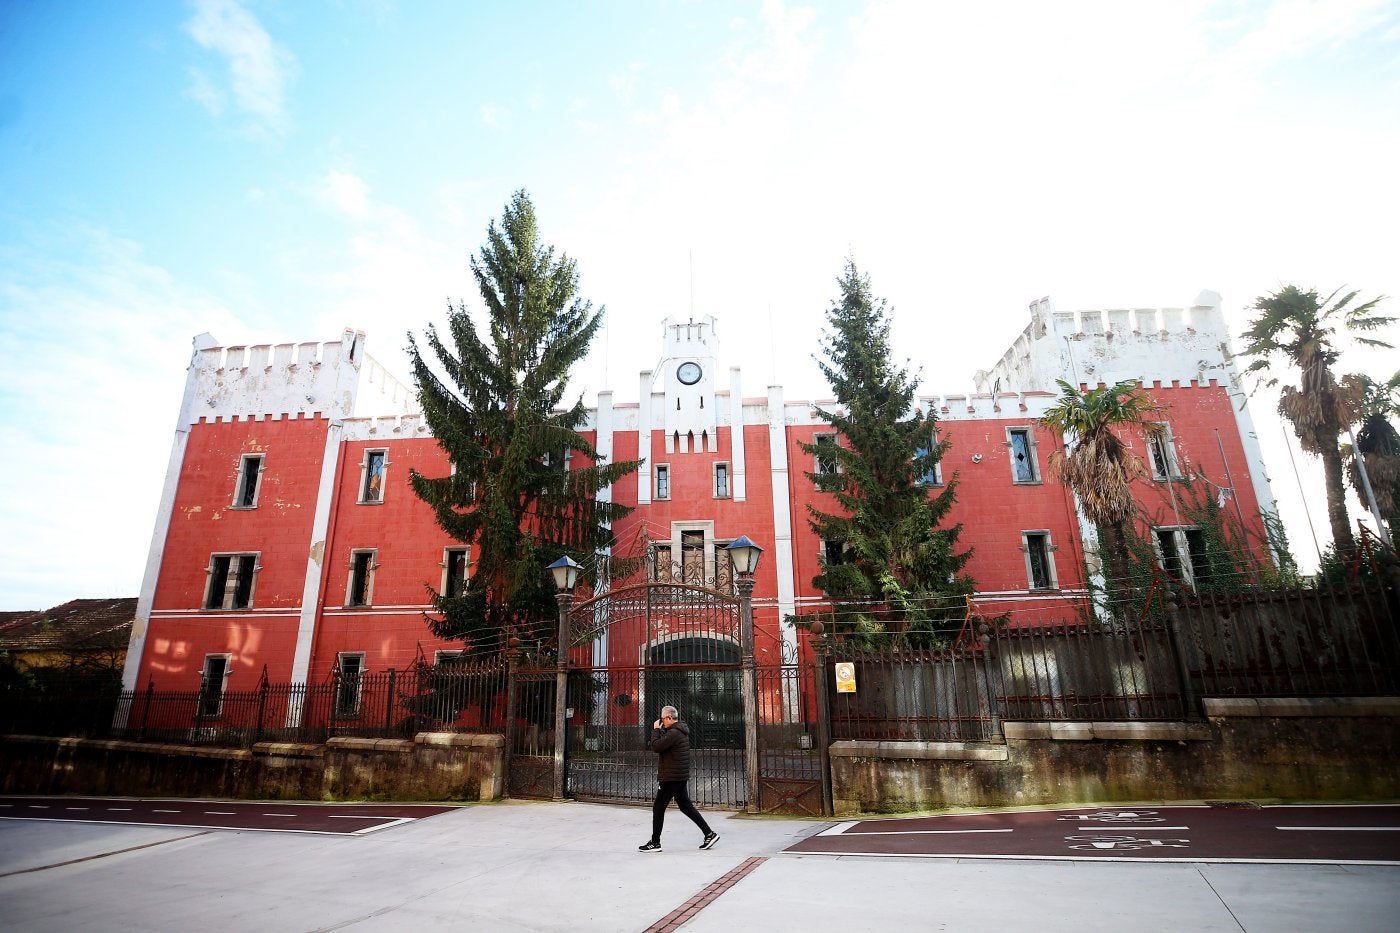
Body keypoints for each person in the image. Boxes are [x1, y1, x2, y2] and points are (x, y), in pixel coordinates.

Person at [639, 705, 719, 852]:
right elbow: (665, 744)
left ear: (669, 718)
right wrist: (661, 731)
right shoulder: (678, 731)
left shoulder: (674, 733)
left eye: (663, 719)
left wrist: (656, 729)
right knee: (685, 806)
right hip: (678, 775)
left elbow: (656, 747)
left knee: (658, 808)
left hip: (671, 777)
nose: (661, 721)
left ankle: (655, 843)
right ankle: (709, 833)